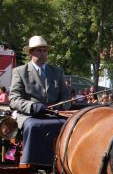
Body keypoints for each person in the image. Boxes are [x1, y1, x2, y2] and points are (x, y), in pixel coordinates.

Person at [9, 35, 69, 166]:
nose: (43, 54)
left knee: (72, 125)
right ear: (31, 52)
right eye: (39, 51)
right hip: (30, 115)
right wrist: (33, 106)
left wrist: (62, 106)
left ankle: (67, 163)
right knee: (34, 127)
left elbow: (66, 97)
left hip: (55, 114)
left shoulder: (57, 71)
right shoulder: (19, 72)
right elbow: (14, 99)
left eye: (45, 51)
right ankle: (33, 166)